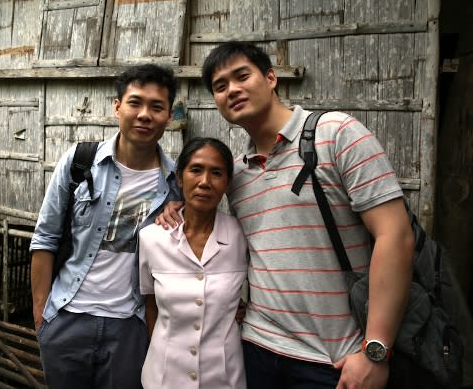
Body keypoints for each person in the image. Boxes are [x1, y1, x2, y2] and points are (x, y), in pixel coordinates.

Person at [158, 42, 415, 389]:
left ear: (271, 77)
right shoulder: (236, 176)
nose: (232, 89)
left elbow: (395, 237)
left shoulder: (336, 134)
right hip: (255, 350)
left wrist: (376, 349)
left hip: (333, 360)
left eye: (242, 76)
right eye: (220, 86)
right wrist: (175, 207)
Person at [30, 64, 181, 389]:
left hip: (130, 326)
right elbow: (45, 238)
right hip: (67, 318)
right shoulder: (79, 161)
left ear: (169, 116)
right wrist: (41, 315)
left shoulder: (176, 183)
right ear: (117, 107)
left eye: (157, 107)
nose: (144, 114)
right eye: (135, 103)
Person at [139, 137, 248, 389]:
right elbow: (150, 304)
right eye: (196, 170)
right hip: (164, 377)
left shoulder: (242, 236)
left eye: (217, 173)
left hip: (224, 377)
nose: (205, 182)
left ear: (228, 183)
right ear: (179, 177)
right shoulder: (151, 239)